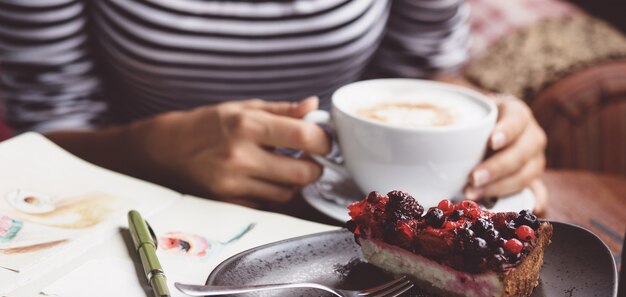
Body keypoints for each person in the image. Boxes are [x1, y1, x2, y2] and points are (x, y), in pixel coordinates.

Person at [0, 0, 547, 212]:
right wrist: (150, 148)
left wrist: (492, 133)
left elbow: (425, 77)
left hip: (352, 224)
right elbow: (38, 138)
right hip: (134, 208)